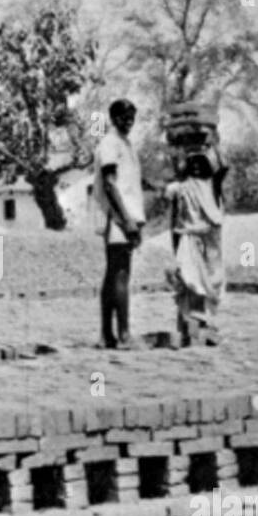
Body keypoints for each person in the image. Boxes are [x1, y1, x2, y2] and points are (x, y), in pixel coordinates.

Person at [91, 98, 146, 349]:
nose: (129, 122)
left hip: (126, 216)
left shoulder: (125, 144)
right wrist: (126, 219)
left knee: (114, 274)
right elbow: (111, 184)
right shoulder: (110, 143)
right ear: (113, 118)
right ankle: (122, 335)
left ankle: (107, 335)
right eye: (124, 117)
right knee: (121, 274)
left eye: (132, 118)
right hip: (120, 217)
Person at [167, 147, 227, 346]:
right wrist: (174, 246)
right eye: (192, 164)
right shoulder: (180, 188)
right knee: (191, 281)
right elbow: (175, 221)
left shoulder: (212, 187)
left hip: (209, 239)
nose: (196, 168)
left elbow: (223, 169)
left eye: (201, 164)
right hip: (188, 238)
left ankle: (205, 324)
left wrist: (213, 148)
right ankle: (189, 323)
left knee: (209, 282)